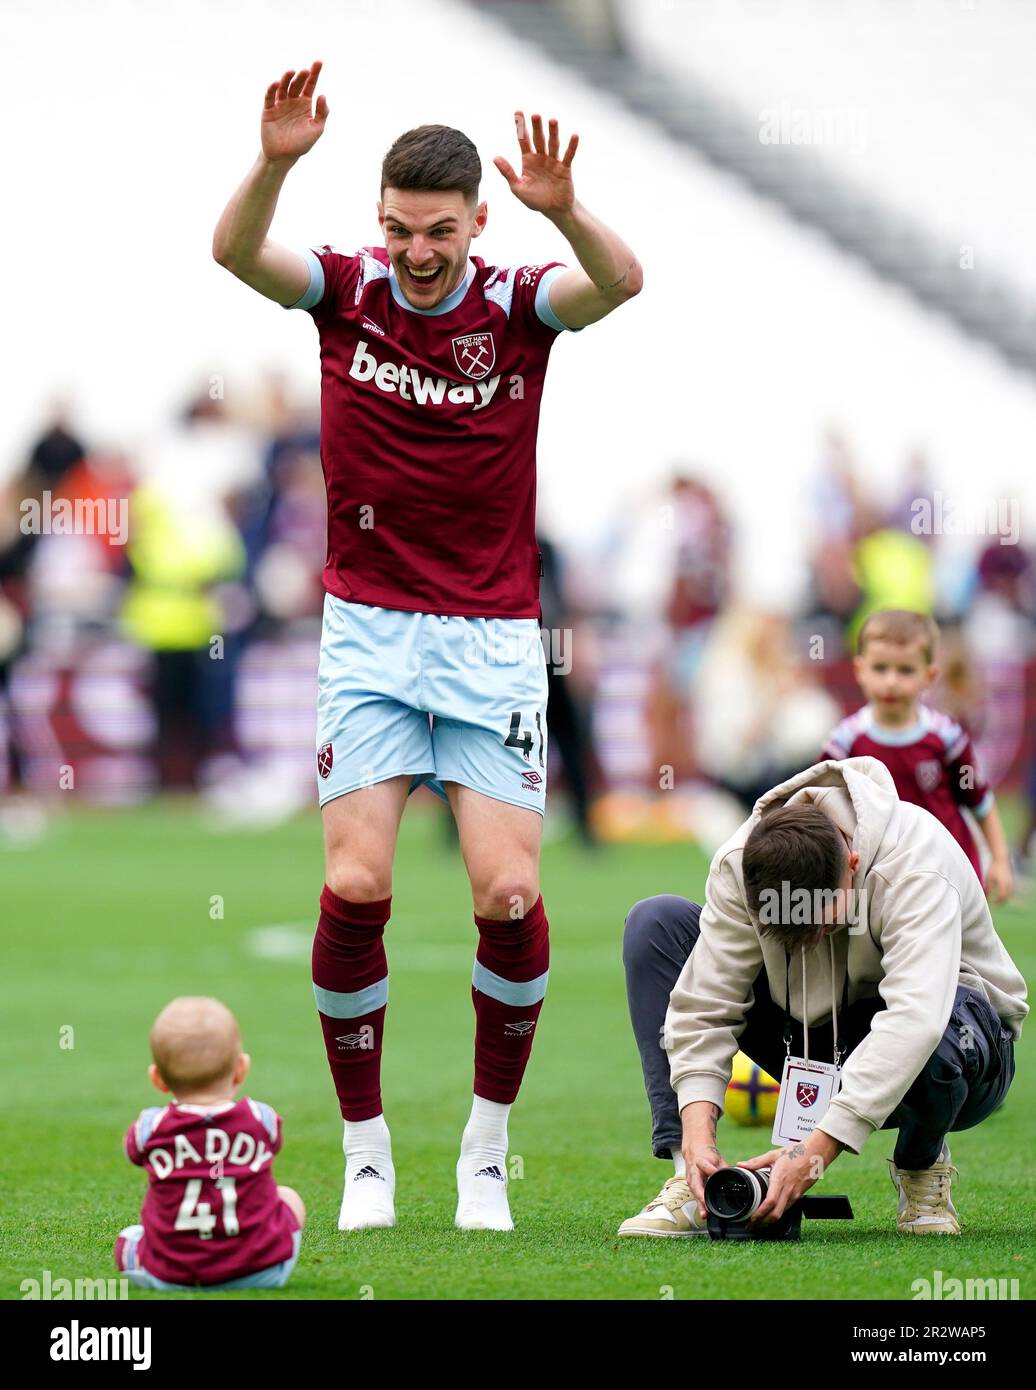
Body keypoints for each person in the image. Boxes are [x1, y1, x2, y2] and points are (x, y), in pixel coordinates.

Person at [212, 62, 642, 1232]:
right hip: (367, 631)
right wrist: (275, 161)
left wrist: (563, 207)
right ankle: (365, 1151)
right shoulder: (346, 293)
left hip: (494, 639)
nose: (416, 250)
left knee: (508, 892)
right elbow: (236, 255)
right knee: (356, 882)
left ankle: (486, 1151)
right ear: (380, 222)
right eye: (400, 228)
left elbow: (622, 281)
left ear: (476, 223)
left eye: (438, 231)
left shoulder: (514, 306)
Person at [618, 757, 1026, 1238]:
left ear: (851, 863)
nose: (810, 940)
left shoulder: (915, 862)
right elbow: (705, 1003)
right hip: (810, 1036)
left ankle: (922, 1166)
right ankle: (689, 1181)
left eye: (822, 923)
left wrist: (812, 1152)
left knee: (936, 1032)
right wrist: (697, 1131)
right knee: (656, 923)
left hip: (961, 1049)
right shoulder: (741, 862)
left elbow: (916, 1018)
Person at [821, 609, 1013, 900]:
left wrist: (999, 860)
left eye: (905, 670)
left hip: (949, 876)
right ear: (860, 670)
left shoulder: (946, 738)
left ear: (929, 675)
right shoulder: (844, 743)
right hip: (880, 879)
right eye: (880, 668)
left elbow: (980, 801)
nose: (892, 681)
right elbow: (822, 808)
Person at [115, 998, 305, 1290]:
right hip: (262, 1272)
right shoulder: (261, 1118)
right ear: (241, 1069)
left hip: (172, 1275)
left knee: (129, 1238)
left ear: (157, 1079)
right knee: (289, 1197)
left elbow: (133, 1152)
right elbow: (274, 1144)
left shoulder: (150, 1128)